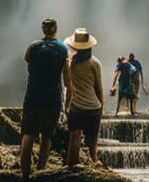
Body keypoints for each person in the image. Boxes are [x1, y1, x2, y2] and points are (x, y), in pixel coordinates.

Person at [20, 18, 71, 181]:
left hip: (33, 96)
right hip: (52, 98)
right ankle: (41, 170)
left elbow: (29, 68)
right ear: (56, 29)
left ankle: (25, 175)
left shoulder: (32, 47)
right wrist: (68, 102)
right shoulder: (63, 49)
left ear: (43, 29)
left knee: (28, 135)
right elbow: (67, 78)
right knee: (47, 136)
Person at [65, 28, 104, 167]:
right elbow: (99, 89)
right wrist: (101, 107)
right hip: (94, 108)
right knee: (92, 143)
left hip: (76, 107)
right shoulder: (95, 63)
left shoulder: (70, 63)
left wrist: (66, 106)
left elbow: (69, 88)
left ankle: (71, 167)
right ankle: (94, 165)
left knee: (74, 139)